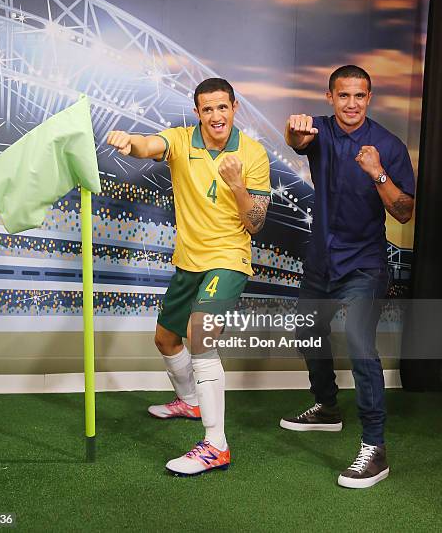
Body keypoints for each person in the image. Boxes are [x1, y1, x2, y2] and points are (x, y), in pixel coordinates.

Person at [107, 78, 270, 475]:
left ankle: (216, 446)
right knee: (165, 339)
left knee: (201, 338)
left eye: (222, 107)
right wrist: (131, 141)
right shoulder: (182, 140)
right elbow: (151, 145)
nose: (216, 116)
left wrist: (237, 186)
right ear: (197, 112)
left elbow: (256, 224)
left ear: (234, 108)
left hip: (229, 258)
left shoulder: (253, 154)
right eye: (207, 109)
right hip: (189, 260)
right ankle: (191, 401)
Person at [280, 65, 415, 489]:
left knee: (359, 345)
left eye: (359, 96)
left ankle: (374, 448)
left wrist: (377, 173)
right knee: (306, 332)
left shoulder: (388, 146)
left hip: (364, 265)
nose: (351, 104)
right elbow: (296, 139)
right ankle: (326, 406)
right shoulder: (318, 131)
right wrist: (294, 131)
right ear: (330, 96)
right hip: (321, 262)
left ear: (369, 97)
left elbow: (405, 211)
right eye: (343, 96)